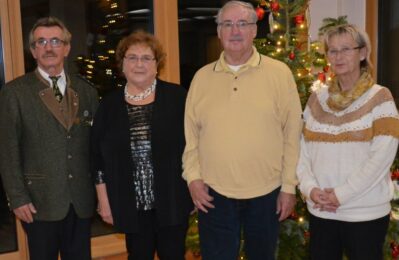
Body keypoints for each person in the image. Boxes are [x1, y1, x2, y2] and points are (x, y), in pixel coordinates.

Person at [182, 1, 303, 259]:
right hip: (213, 195)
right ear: (218, 31)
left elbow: (292, 135)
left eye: (242, 24)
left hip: (266, 194)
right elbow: (191, 136)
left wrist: (289, 187)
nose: (235, 31)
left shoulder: (279, 74)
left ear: (254, 30)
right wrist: (192, 177)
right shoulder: (202, 78)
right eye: (227, 24)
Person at [297, 23, 399, 260]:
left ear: (362, 53)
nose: (338, 56)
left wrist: (341, 194)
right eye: (332, 50)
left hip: (364, 215)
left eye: (346, 49)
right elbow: (301, 151)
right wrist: (309, 189)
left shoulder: (380, 98)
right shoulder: (317, 99)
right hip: (321, 212)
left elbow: (382, 158)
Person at [0, 17, 98, 260]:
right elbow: (7, 150)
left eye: (55, 41)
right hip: (38, 202)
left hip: (81, 199)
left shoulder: (86, 91)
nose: (48, 47)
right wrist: (17, 198)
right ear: (33, 51)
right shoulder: (14, 93)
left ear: (66, 47)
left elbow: (95, 147)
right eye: (41, 42)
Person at [91, 30, 192, 260]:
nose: (139, 64)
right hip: (130, 205)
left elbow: (194, 148)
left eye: (146, 58)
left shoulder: (177, 98)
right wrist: (104, 202)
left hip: (173, 200)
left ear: (157, 65)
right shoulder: (109, 105)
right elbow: (97, 158)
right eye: (132, 58)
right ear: (122, 64)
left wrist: (195, 188)